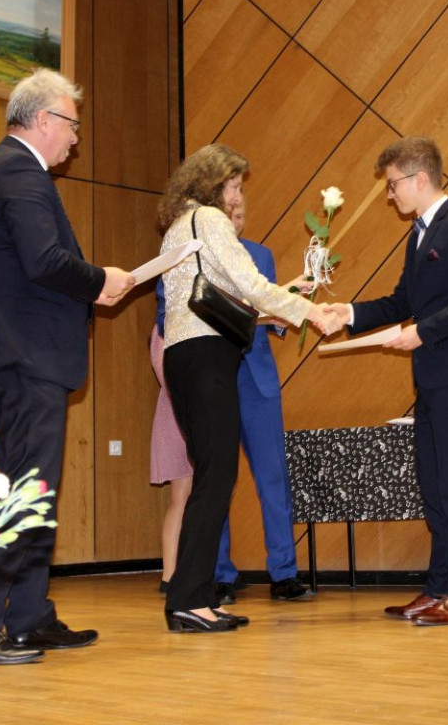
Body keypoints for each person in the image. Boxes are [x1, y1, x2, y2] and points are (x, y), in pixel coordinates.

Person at [0, 68, 136, 665]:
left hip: (15, 354)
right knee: (27, 489)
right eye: (71, 125)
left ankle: (27, 615)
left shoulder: (10, 168)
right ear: (45, 121)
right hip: (20, 354)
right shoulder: (19, 170)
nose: (76, 139)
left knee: (35, 488)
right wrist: (101, 279)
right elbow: (44, 261)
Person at [158, 143, 338, 634]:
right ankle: (188, 600)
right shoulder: (209, 220)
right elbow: (250, 283)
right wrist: (311, 311)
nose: (237, 195)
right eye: (234, 185)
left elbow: (231, 290)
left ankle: (193, 595)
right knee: (216, 479)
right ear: (214, 183)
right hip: (205, 354)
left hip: (185, 356)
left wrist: (288, 301)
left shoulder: (180, 224)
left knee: (212, 476)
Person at [328, 136, 448, 626]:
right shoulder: (419, 234)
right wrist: (350, 313)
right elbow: (404, 300)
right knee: (434, 484)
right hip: (432, 379)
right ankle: (438, 587)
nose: (389, 195)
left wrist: (422, 332)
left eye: (393, 184)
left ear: (420, 180)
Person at [214, 196, 311, 603]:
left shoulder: (261, 255)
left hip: (258, 382)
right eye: (230, 214)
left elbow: (273, 321)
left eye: (241, 213)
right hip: (215, 379)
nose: (237, 219)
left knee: (273, 479)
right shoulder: (202, 258)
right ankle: (219, 575)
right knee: (217, 480)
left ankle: (284, 573)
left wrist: (291, 303)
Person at [149, 279, 193, 594]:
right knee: (180, 499)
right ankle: (170, 574)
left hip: (196, 415)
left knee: (194, 499)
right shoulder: (163, 330)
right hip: (179, 415)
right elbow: (168, 374)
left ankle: (190, 572)